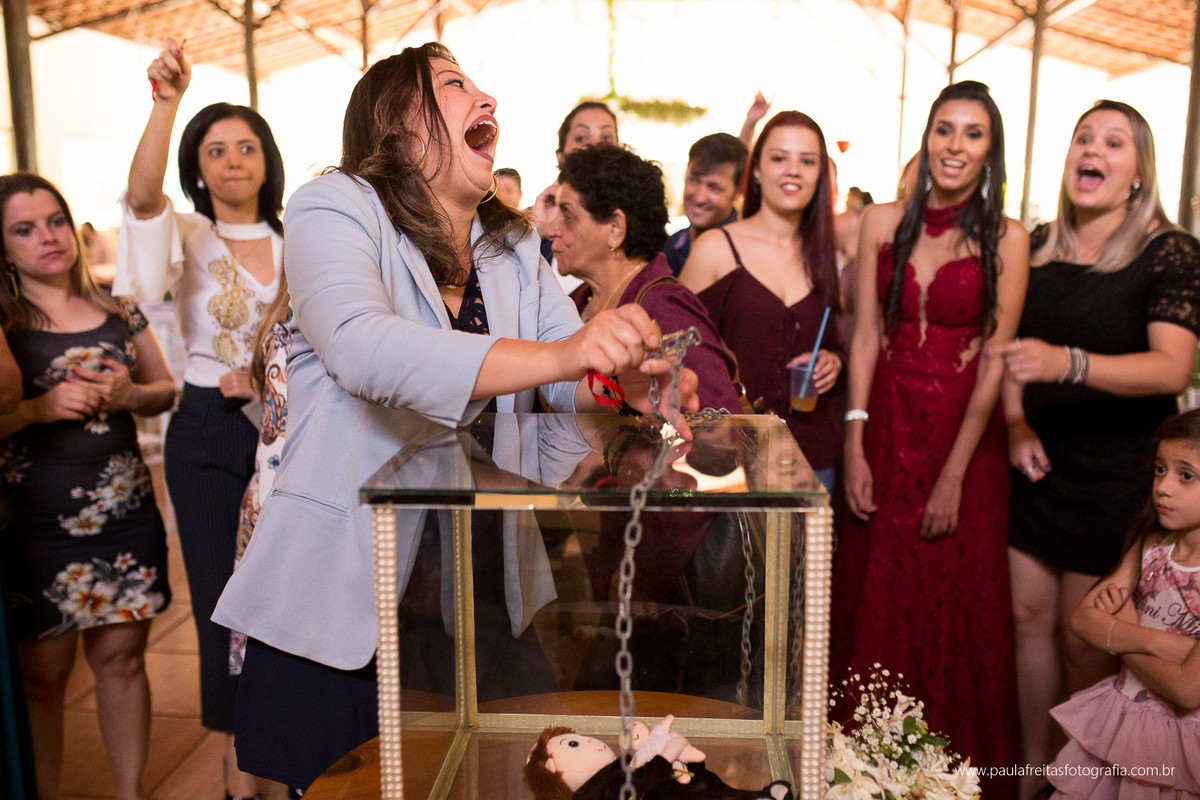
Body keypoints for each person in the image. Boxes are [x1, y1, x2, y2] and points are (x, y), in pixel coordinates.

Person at [211, 42, 698, 791]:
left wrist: (618, 385)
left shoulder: (514, 245)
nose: (487, 99)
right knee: (350, 784)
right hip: (348, 582)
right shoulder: (333, 207)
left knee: (507, 776)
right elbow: (361, 347)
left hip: (483, 580)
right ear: (395, 125)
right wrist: (570, 355)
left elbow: (555, 377)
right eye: (453, 84)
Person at [998, 100, 1200, 800]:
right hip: (1037, 468)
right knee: (1026, 623)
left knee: (1081, 638)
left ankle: (1077, 782)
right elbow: (1009, 351)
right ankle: (1031, 776)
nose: (1093, 150)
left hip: (1118, 474)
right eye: (1084, 137)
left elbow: (1171, 368)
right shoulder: (1038, 246)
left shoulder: (1168, 252)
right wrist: (1016, 423)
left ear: (1139, 172)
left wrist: (1070, 364)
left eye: (1114, 142)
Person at [834, 80, 1029, 795]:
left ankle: (948, 779)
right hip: (885, 424)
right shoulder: (880, 221)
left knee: (954, 601)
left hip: (964, 438)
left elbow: (994, 357)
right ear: (927, 137)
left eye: (973, 133)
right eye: (945, 129)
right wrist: (854, 438)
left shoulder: (1009, 238)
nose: (955, 145)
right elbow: (865, 336)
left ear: (990, 150)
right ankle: (858, 771)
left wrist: (954, 474)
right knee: (875, 592)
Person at [114, 37, 285, 800]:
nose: (233, 160)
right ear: (197, 167)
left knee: (290, 594)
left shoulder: (300, 239)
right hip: (209, 431)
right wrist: (166, 102)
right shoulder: (184, 234)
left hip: (291, 432)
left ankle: (293, 749)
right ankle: (238, 771)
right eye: (215, 150)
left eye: (246, 147)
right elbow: (141, 199)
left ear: (267, 160)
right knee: (222, 601)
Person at [0, 173, 177, 800]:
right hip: (35, 524)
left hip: (126, 515)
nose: (48, 237)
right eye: (24, 229)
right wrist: (37, 409)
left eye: (55, 220)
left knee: (122, 661)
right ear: (2, 246)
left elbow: (165, 389)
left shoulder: (116, 304)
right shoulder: (3, 322)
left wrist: (132, 395)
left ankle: (130, 793)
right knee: (43, 679)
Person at [679, 111, 844, 491]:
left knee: (811, 535)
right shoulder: (717, 248)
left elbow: (835, 341)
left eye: (807, 161)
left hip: (812, 458)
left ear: (820, 174)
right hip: (731, 460)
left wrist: (834, 361)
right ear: (755, 169)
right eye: (779, 157)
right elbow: (677, 351)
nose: (793, 170)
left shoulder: (822, 255)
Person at [1046, 410, 1200, 800]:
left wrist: (1118, 634)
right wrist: (1163, 643)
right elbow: (1083, 621)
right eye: (1160, 469)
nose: (1163, 487)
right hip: (1121, 721)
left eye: (1186, 476)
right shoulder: (1152, 545)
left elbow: (1187, 690)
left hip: (1180, 747)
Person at [549, 145, 741, 411]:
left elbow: (721, 419)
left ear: (615, 228)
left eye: (567, 216)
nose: (551, 229)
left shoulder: (665, 307)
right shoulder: (580, 299)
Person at [524, 721, 793, 800]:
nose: (592, 742)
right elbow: (635, 783)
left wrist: (675, 760)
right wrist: (664, 757)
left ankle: (757, 796)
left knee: (708, 788)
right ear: (553, 769)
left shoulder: (613, 770)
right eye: (574, 744)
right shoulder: (592, 793)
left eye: (580, 738)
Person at [533, 101, 622, 274]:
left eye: (606, 137)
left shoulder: (640, 223)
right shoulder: (540, 223)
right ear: (560, 156)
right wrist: (536, 231)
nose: (595, 145)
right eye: (581, 138)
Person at [664, 134, 748, 277]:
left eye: (714, 188)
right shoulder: (669, 247)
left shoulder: (746, 255)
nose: (700, 198)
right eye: (694, 180)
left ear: (739, 191)